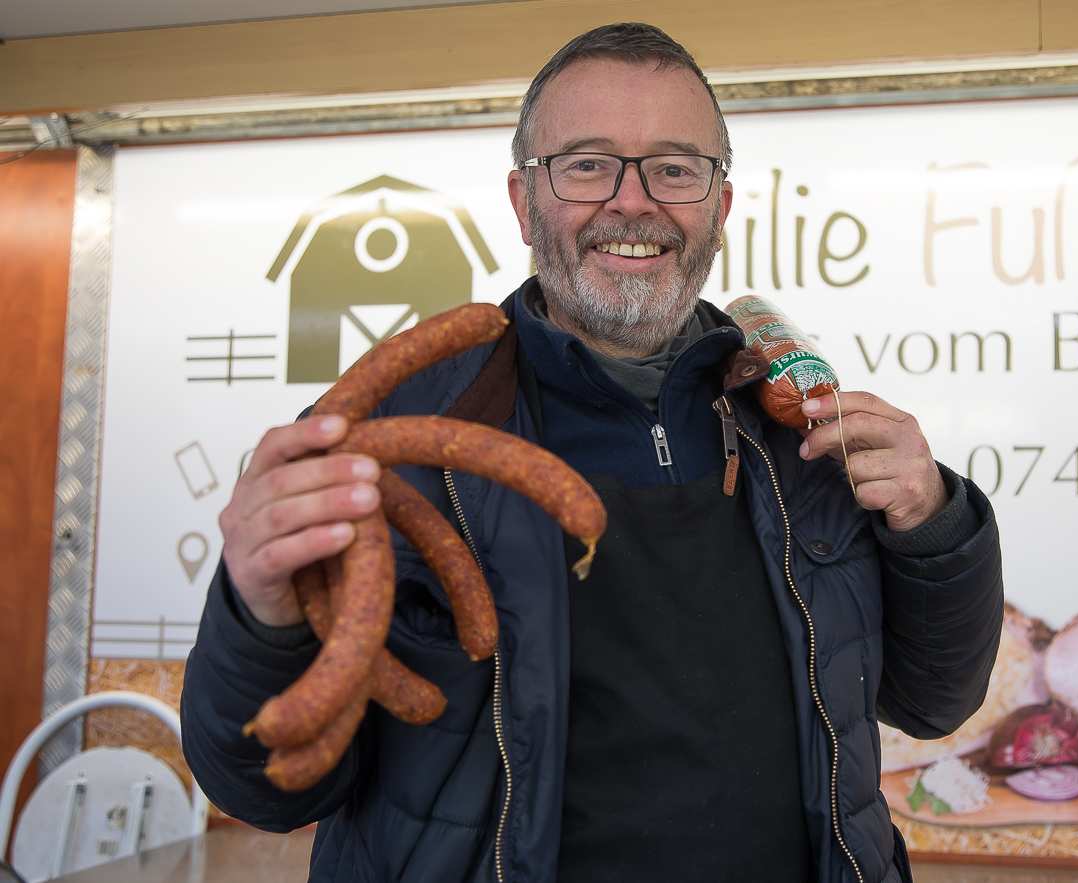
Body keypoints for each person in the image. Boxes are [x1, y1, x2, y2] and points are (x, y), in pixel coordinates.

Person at [181, 22, 1003, 883]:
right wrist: (258, 607)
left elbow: (931, 700)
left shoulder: (799, 428)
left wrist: (935, 522)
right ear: (522, 200)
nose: (633, 200)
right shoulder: (386, 440)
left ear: (720, 205)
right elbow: (267, 788)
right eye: (585, 163)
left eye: (675, 167)